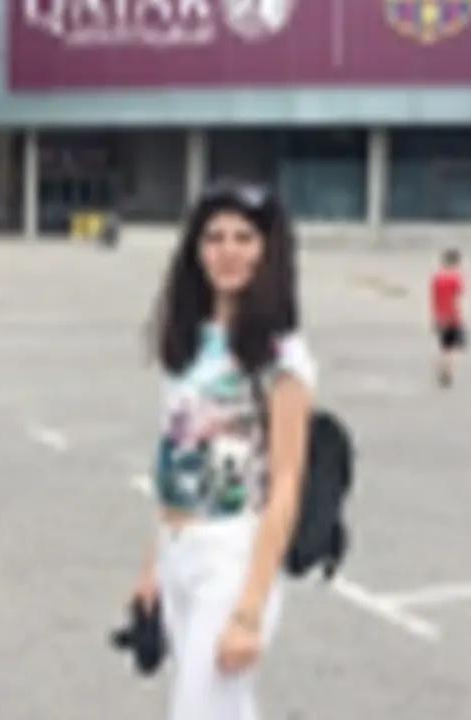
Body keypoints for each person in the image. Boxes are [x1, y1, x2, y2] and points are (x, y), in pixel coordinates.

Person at [132, 181, 316, 719]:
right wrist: (152, 566)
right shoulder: (188, 342)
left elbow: (286, 482)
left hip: (231, 552)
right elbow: (173, 454)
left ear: (268, 250)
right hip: (177, 547)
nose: (227, 251)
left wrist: (250, 610)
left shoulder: (282, 356)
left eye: (244, 238)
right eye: (213, 238)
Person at [430, 248, 467, 388]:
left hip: (440, 316)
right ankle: (448, 373)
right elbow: (458, 299)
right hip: (453, 316)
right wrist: (462, 317)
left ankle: (440, 369)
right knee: (453, 348)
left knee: (443, 346)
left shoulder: (437, 278)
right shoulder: (456, 279)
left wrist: (434, 317)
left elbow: (434, 299)